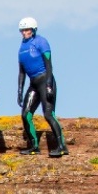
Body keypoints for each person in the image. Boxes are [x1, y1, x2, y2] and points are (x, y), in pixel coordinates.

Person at [17, 17, 68, 157]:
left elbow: (49, 65)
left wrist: (49, 85)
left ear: (33, 30)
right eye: (22, 30)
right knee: (25, 114)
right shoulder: (22, 47)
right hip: (33, 83)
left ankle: (62, 146)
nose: (24, 33)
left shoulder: (41, 42)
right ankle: (34, 146)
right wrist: (20, 91)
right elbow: (21, 72)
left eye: (27, 30)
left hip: (45, 79)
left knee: (48, 114)